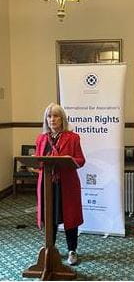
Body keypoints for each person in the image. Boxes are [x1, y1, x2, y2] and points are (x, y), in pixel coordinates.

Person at [35, 103, 85, 265]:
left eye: (56, 116)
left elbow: (81, 160)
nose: (52, 119)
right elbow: (38, 160)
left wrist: (68, 161)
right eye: (49, 116)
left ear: (62, 119)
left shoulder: (73, 137)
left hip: (67, 185)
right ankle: (51, 249)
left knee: (70, 218)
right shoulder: (41, 139)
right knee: (50, 217)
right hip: (47, 185)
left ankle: (72, 251)